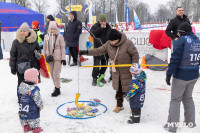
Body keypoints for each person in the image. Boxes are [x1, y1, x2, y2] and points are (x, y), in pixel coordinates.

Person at [79, 29, 139, 113]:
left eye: (112, 41)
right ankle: (119, 105)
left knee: (130, 90)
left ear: (118, 39)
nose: (111, 42)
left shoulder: (127, 43)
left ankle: (133, 107)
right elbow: (99, 50)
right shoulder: (109, 44)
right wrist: (86, 52)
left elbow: (135, 54)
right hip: (116, 72)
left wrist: (134, 65)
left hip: (127, 71)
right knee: (118, 89)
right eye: (110, 40)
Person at [164, 22, 200, 132]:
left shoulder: (182, 40)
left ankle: (172, 126)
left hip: (181, 76)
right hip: (193, 75)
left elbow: (175, 58)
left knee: (175, 100)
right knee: (188, 98)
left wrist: (169, 73)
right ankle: (190, 123)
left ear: (182, 32)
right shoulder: (197, 40)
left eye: (179, 32)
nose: (178, 34)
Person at [9, 22, 41, 87]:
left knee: (31, 85)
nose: (23, 32)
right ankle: (20, 97)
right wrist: (12, 67)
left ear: (28, 31)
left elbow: (39, 51)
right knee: (21, 84)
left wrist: (37, 55)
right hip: (21, 67)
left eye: (24, 31)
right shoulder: (16, 42)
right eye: (21, 31)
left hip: (32, 67)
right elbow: (13, 55)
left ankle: (30, 97)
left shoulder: (34, 41)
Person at [43, 21, 66, 97]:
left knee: (56, 73)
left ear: (56, 28)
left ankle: (58, 88)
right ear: (49, 29)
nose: (52, 30)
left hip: (57, 58)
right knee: (52, 74)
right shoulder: (46, 36)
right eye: (51, 29)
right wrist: (44, 56)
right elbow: (44, 47)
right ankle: (56, 86)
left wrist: (63, 58)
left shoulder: (59, 36)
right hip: (49, 57)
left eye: (54, 29)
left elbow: (63, 48)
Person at [18, 68, 43, 133]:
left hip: (23, 108)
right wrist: (40, 105)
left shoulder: (21, 86)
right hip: (32, 109)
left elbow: (19, 95)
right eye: (37, 77)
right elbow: (37, 98)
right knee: (34, 119)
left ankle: (26, 127)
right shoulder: (34, 89)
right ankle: (36, 129)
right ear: (33, 78)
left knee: (24, 118)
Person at [90, 14, 111, 86]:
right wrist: (100, 28)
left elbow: (111, 35)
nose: (103, 22)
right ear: (99, 21)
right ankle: (94, 78)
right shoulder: (95, 26)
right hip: (97, 49)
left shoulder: (108, 27)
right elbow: (92, 34)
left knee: (105, 65)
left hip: (106, 49)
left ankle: (101, 76)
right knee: (96, 65)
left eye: (104, 21)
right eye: (102, 21)